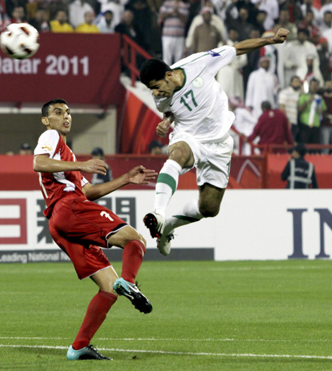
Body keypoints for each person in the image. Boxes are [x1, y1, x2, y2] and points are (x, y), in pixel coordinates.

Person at [139, 27, 290, 255]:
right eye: (152, 90)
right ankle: (158, 214)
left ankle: (168, 226)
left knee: (209, 208)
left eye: (158, 88)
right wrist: (167, 121)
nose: (156, 94)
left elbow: (237, 48)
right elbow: (171, 108)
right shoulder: (159, 96)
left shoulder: (199, 63)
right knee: (177, 154)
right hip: (189, 136)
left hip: (218, 142)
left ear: (169, 75)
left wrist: (271, 40)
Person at [33, 99, 157, 360]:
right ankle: (131, 283)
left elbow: (89, 192)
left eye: (68, 112)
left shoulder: (67, 155)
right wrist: (82, 165)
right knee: (135, 240)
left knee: (109, 288)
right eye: (58, 113)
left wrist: (126, 179)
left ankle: (78, 348)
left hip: (60, 223)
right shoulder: (51, 136)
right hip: (69, 208)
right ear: (46, 120)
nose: (65, 117)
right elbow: (38, 163)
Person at [279, 75, 302, 141]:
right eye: (296, 82)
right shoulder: (285, 92)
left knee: (292, 141)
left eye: (298, 82)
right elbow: (282, 107)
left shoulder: (298, 94)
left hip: (294, 121)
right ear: (291, 83)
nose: (297, 83)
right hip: (287, 122)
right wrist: (287, 120)